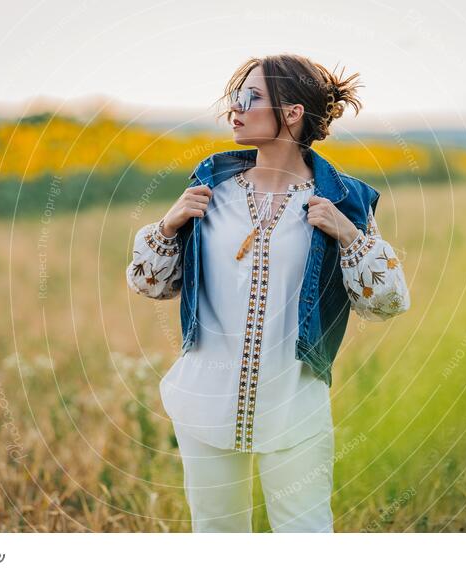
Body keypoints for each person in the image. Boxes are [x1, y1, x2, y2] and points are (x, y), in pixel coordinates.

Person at [126, 53, 411, 532]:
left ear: (293, 113)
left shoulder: (343, 201)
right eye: (235, 98)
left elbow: (387, 303)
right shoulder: (208, 191)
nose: (234, 109)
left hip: (294, 405)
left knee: (305, 536)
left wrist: (347, 233)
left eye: (250, 97)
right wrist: (170, 224)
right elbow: (147, 282)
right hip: (205, 400)